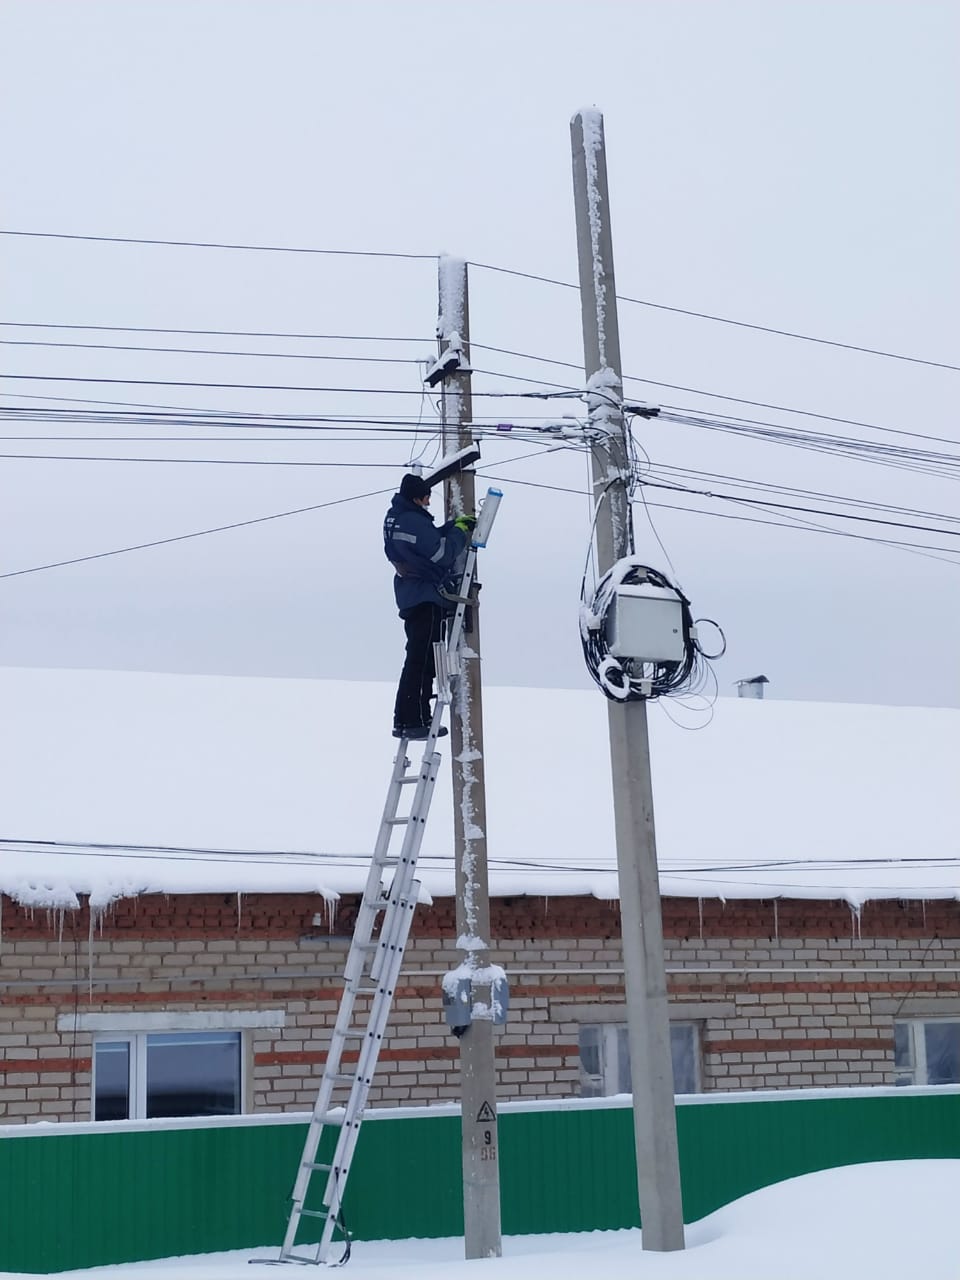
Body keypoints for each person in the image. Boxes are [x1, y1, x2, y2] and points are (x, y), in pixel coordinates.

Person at [383, 473, 475, 740]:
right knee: (422, 661)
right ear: (416, 496)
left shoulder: (399, 516)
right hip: (425, 595)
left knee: (416, 658)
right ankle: (414, 719)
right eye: (426, 498)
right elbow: (441, 555)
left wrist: (450, 527)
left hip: (411, 595)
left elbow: (428, 540)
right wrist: (459, 533)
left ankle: (406, 719)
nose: (428, 503)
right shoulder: (412, 520)